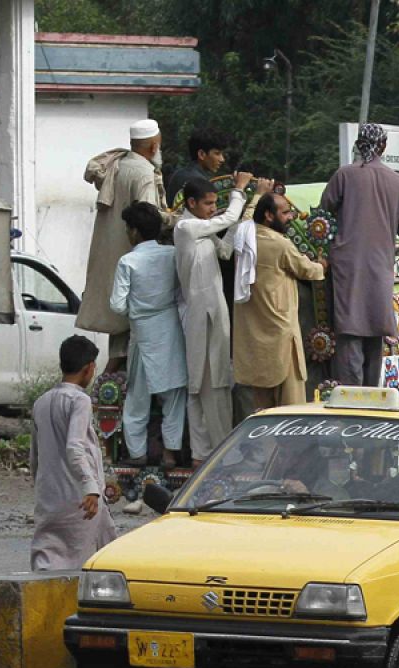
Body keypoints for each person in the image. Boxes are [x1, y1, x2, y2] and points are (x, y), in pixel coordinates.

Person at [319, 123, 399, 386]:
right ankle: (371, 400)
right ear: (383, 146)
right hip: (381, 269)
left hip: (348, 268)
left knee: (350, 334)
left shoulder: (344, 175)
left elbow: (322, 216)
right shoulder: (398, 182)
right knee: (374, 334)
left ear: (359, 144)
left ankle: (352, 403)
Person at [175, 172, 254, 463]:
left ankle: (209, 453)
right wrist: (238, 191)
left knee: (214, 384)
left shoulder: (201, 229)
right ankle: (214, 455)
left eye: (213, 203)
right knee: (205, 385)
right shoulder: (186, 227)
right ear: (192, 203)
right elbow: (223, 220)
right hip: (200, 315)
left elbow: (224, 250)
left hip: (212, 311)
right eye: (208, 203)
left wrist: (242, 221)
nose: (212, 208)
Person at [80, 119, 167, 367]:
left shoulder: (119, 165)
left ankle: (109, 400)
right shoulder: (144, 174)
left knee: (118, 346)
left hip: (114, 264)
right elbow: (150, 219)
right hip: (137, 268)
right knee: (131, 352)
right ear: (153, 147)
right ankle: (112, 398)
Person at [108, 201, 186, 467]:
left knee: (137, 399)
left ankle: (137, 453)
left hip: (142, 333)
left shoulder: (128, 261)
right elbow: (181, 291)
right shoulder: (172, 254)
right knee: (174, 396)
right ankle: (170, 453)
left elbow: (117, 305)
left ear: (133, 231)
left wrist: (139, 307)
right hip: (171, 329)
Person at [30, 337, 118, 570]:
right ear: (89, 368)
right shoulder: (80, 400)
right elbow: (75, 446)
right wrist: (90, 487)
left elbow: (35, 457)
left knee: (47, 560)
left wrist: (40, 488)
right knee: (90, 561)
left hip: (49, 499)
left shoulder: (41, 402)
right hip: (80, 498)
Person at [237, 193, 326, 412]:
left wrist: (257, 194)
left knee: (263, 409)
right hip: (282, 337)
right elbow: (307, 270)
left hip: (256, 340)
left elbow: (246, 218)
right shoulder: (279, 244)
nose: (290, 217)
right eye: (285, 212)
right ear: (268, 215)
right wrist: (323, 264)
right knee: (291, 409)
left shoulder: (244, 235)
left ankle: (265, 448)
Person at [165, 129, 229, 209]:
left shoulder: (180, 173)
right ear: (201, 154)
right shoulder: (197, 181)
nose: (222, 159)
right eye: (217, 153)